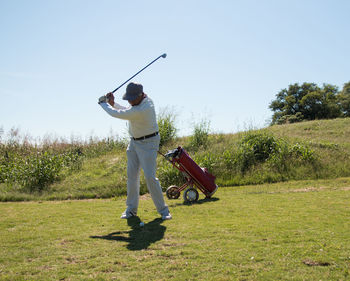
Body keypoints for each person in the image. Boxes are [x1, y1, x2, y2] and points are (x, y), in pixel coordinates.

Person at [98, 82, 172, 220]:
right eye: (128, 98)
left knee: (150, 177)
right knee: (132, 176)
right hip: (134, 142)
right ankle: (131, 210)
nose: (130, 101)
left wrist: (104, 104)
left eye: (132, 98)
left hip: (149, 143)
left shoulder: (145, 108)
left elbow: (118, 114)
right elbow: (126, 111)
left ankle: (164, 211)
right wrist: (113, 103)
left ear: (141, 95)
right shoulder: (137, 105)